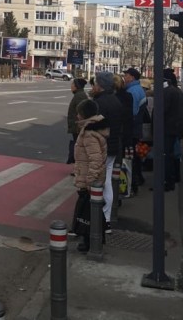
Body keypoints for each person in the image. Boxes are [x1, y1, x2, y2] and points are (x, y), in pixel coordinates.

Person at [72, 98, 108, 253]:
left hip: (90, 178)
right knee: (91, 210)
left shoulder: (89, 133)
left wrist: (90, 180)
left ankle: (90, 242)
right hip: (91, 176)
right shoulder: (94, 128)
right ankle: (94, 238)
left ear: (85, 115)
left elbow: (95, 159)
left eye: (79, 113)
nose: (77, 116)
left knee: (89, 211)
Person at [92, 70, 124, 232]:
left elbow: (94, 125)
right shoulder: (116, 101)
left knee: (98, 182)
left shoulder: (100, 103)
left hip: (101, 146)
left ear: (101, 85)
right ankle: (107, 218)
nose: (94, 86)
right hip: (113, 145)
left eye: (96, 83)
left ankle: (98, 220)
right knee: (108, 182)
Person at [163, 69, 183, 191]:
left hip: (168, 128)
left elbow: (162, 110)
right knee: (173, 154)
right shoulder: (178, 92)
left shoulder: (168, 92)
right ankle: (175, 177)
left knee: (167, 155)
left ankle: (169, 181)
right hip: (176, 128)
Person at [123, 68, 146, 190]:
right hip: (136, 127)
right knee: (135, 155)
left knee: (131, 156)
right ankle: (138, 177)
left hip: (132, 128)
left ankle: (134, 180)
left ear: (132, 77)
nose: (124, 77)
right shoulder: (138, 89)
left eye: (126, 75)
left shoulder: (132, 91)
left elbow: (132, 112)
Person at [66, 78, 88, 164]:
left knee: (78, 147)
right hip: (76, 126)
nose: (71, 86)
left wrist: (78, 125)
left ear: (76, 86)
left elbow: (81, 112)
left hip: (77, 126)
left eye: (73, 84)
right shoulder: (78, 95)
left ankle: (78, 165)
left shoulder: (79, 96)